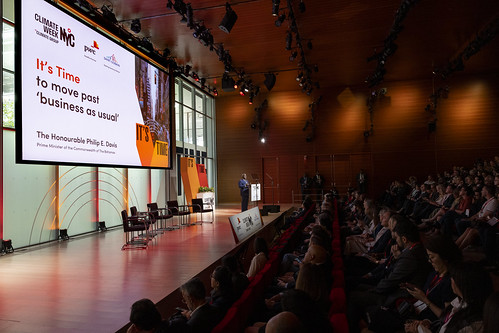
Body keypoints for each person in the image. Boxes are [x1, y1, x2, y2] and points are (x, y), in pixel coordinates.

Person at [404, 262, 493, 333]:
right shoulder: (459, 301)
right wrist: (429, 324)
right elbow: (446, 320)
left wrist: (420, 330)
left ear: (463, 286)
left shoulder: (470, 326)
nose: (451, 280)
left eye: (454, 277)